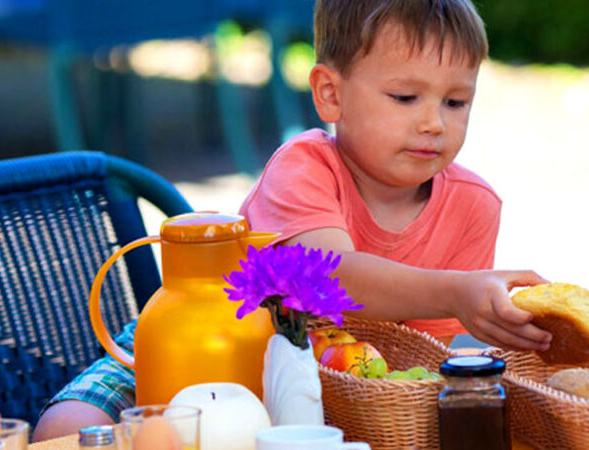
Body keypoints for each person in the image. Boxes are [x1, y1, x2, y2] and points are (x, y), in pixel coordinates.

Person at [32, 0, 552, 441]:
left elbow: (412, 358)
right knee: (68, 427)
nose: (433, 122)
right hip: (205, 341)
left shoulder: (473, 206)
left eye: (456, 101)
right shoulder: (304, 166)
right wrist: (456, 291)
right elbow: (326, 279)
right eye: (404, 97)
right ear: (330, 94)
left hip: (332, 390)